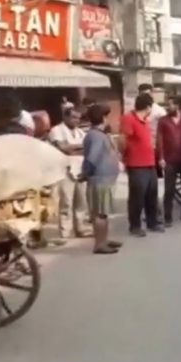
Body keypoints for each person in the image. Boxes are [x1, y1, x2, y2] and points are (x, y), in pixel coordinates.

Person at [80, 104, 122, 254]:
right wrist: (86, 173)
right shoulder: (95, 136)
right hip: (100, 179)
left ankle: (103, 240)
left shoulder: (99, 134)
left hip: (105, 179)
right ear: (103, 117)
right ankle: (100, 244)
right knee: (100, 213)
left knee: (103, 212)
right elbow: (92, 158)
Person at [121, 93, 164, 236]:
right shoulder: (129, 119)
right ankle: (135, 226)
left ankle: (152, 222)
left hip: (149, 163)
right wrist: (123, 158)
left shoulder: (145, 121)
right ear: (148, 107)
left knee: (151, 195)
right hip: (136, 164)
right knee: (137, 197)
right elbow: (123, 140)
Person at [49, 107, 92, 239]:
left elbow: (88, 148)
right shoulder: (56, 130)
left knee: (81, 201)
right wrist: (79, 147)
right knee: (66, 201)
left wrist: (73, 148)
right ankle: (65, 231)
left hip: (80, 169)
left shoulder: (80, 132)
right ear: (65, 117)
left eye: (78, 118)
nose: (76, 121)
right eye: (73, 117)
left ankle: (80, 228)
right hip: (65, 169)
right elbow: (63, 148)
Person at [157, 96, 181, 226]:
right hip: (170, 159)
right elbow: (160, 140)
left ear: (179, 106)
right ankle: (167, 217)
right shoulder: (163, 121)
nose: (169, 107)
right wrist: (161, 157)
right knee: (169, 189)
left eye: (172, 105)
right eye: (168, 105)